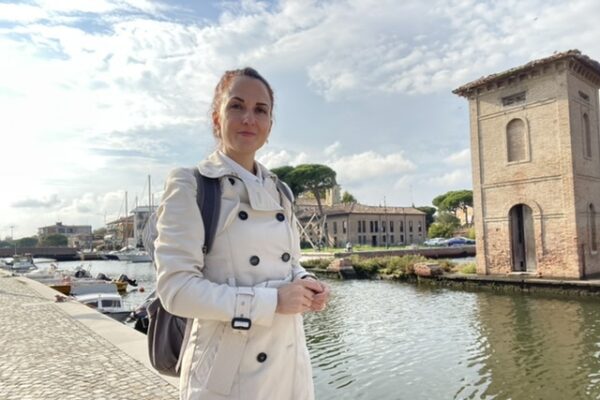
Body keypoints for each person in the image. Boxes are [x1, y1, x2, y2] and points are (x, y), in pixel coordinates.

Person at [154, 67, 330, 400]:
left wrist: (307, 283)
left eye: (260, 110)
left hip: (288, 367)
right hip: (227, 377)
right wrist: (272, 301)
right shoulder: (191, 184)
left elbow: (289, 265)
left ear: (270, 126)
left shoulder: (281, 191)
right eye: (237, 106)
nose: (249, 118)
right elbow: (175, 290)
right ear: (217, 118)